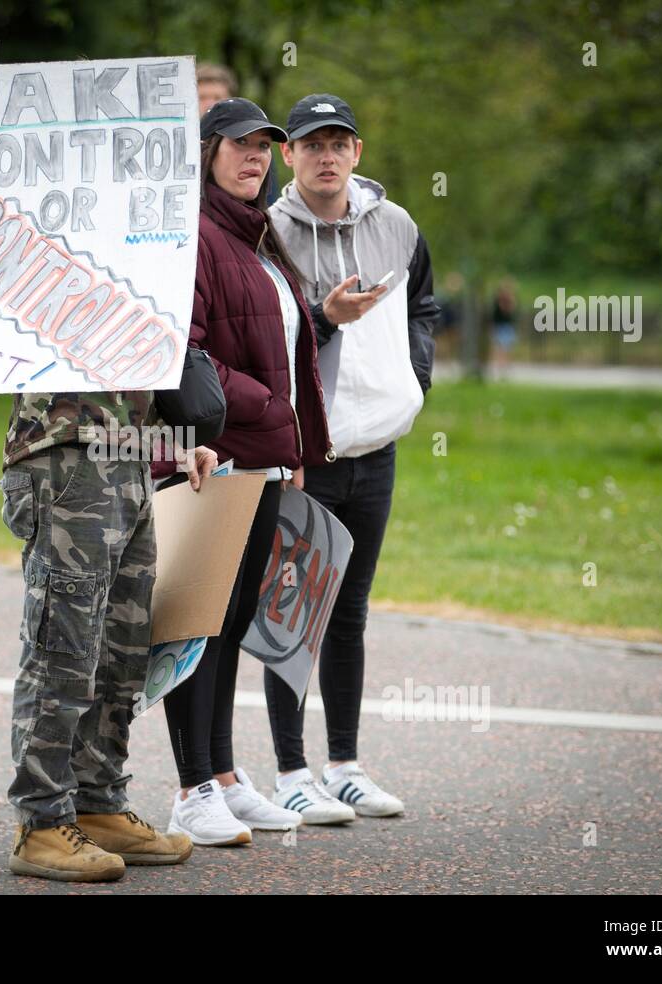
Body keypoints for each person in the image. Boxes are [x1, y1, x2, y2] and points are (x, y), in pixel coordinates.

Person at [0, 99, 216, 882]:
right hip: (63, 457)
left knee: (124, 651)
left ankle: (97, 802)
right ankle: (43, 822)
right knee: (63, 647)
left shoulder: (142, 223)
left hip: (129, 454)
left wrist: (173, 440)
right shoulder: (41, 219)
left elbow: (151, 330)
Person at [157, 97, 353, 847]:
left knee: (234, 622)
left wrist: (294, 447)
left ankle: (227, 779)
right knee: (196, 628)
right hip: (213, 459)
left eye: (265, 147)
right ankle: (190, 789)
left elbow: (293, 349)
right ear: (207, 153)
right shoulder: (196, 236)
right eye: (240, 145)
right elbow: (187, 348)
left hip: (266, 460)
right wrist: (272, 411)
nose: (256, 157)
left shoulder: (260, 235)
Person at [265, 92, 440, 821]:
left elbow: (425, 305)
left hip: (377, 449)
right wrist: (323, 320)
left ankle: (344, 764)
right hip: (307, 451)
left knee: (350, 610)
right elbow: (262, 331)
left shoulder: (396, 224)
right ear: (289, 155)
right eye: (311, 144)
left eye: (339, 143)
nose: (326, 155)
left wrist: (415, 381)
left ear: (358, 153)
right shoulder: (268, 231)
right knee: (292, 612)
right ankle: (289, 772)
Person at [197, 63, 280, 206]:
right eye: (202, 97)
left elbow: (267, 205)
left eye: (217, 97)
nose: (209, 104)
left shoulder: (260, 155)